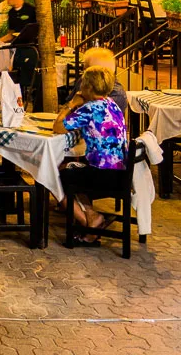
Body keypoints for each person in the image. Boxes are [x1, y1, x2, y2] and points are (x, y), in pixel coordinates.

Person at [54, 65, 128, 241]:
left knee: (53, 176)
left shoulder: (90, 108)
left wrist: (71, 104)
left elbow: (57, 127)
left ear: (88, 87)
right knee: (67, 168)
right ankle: (91, 215)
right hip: (120, 174)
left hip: (102, 176)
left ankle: (89, 224)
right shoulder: (112, 104)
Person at [63, 47, 128, 114]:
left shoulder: (116, 94)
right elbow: (68, 102)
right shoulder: (83, 81)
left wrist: (72, 105)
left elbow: (91, 117)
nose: (84, 71)